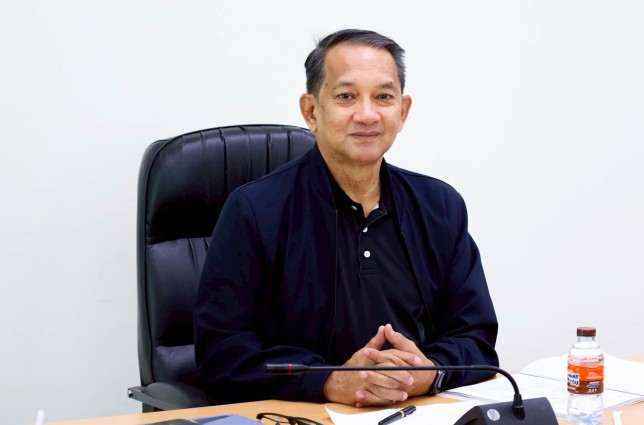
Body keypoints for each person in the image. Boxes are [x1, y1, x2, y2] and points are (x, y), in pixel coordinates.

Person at [194, 28, 498, 407]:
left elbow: (476, 336)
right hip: (305, 415)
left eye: (383, 97)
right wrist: (329, 381)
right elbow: (221, 352)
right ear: (311, 111)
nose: (367, 115)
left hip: (416, 412)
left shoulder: (440, 206)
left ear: (403, 111)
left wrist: (429, 371)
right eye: (345, 96)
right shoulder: (254, 210)